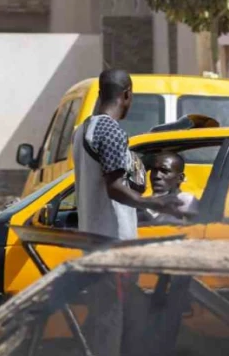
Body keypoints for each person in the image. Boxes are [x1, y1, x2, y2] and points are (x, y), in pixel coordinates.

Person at [72, 68, 181, 240]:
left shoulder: (82, 130)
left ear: (100, 93)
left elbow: (106, 170)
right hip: (113, 239)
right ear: (127, 94)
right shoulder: (110, 131)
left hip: (91, 236)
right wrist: (155, 202)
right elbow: (115, 188)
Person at [139, 151, 199, 225]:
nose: (156, 176)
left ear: (180, 178)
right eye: (154, 170)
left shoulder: (185, 202)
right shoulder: (146, 204)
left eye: (164, 171)